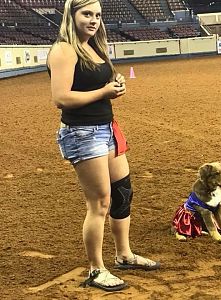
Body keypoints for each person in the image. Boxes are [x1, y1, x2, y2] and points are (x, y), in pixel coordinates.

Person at [47, 0, 160, 292]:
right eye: (87, 14)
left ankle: (124, 255)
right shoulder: (64, 49)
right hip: (82, 133)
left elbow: (98, 84)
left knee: (122, 192)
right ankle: (97, 269)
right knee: (99, 203)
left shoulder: (93, 46)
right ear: (71, 16)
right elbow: (61, 98)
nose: (94, 19)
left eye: (97, 14)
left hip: (106, 128)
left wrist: (115, 83)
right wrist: (104, 91)